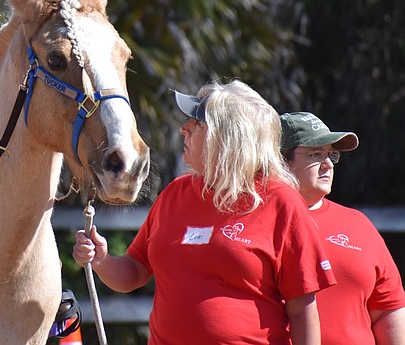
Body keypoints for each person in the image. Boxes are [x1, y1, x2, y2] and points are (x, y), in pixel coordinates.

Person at [73, 79, 336, 345]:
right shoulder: (175, 193)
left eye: (198, 123)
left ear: (230, 137)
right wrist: (102, 260)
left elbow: (302, 307)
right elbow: (134, 272)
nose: (184, 128)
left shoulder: (281, 201)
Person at [280, 112, 405, 344]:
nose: (328, 164)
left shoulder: (358, 224)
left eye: (331, 154)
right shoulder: (257, 221)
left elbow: (387, 308)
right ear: (280, 160)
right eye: (315, 154)